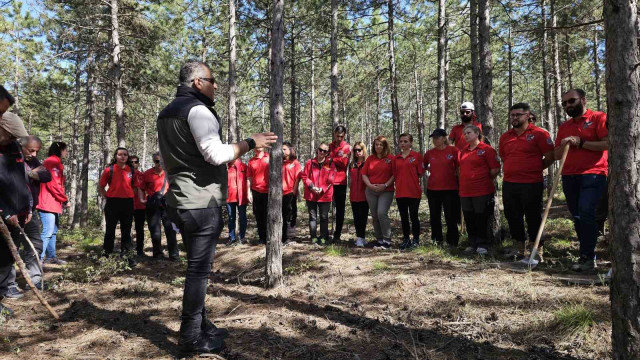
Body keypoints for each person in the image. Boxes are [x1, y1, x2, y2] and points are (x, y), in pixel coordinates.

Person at [156, 60, 276, 354]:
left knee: (196, 269)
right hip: (201, 202)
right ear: (198, 82)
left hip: (180, 201)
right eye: (212, 80)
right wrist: (250, 142)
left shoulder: (167, 112)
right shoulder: (197, 110)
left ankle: (201, 325)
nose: (216, 86)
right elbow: (214, 153)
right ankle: (190, 337)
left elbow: (181, 156)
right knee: (198, 272)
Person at [555, 88, 608, 272]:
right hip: (569, 175)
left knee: (587, 211)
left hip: (593, 173)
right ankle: (585, 254)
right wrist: (563, 146)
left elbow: (608, 143)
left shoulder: (598, 118)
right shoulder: (564, 127)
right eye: (564, 103)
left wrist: (581, 142)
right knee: (577, 215)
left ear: (583, 100)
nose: (568, 105)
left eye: (571, 101)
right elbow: (556, 155)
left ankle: (589, 256)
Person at [499, 103, 554, 259]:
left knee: (533, 216)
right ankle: (519, 246)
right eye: (512, 115)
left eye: (518, 115)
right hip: (510, 183)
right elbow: (504, 157)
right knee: (512, 215)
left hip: (532, 182)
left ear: (528, 115)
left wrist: (535, 167)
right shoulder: (505, 136)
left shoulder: (539, 134)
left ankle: (537, 249)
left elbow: (550, 156)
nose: (514, 118)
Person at [4, 136, 51, 298]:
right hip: (11, 212)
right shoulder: (8, 159)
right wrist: (30, 175)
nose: (34, 154)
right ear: (20, 146)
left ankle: (35, 278)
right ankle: (8, 285)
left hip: (29, 211)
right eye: (31, 150)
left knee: (35, 244)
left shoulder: (33, 161)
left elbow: (46, 175)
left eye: (37, 151)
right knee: (10, 248)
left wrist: (30, 173)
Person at [0, 109, 31, 318]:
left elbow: (21, 179)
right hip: (4, 211)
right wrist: (5, 211)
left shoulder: (14, 148)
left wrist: (26, 205)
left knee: (5, 258)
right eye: (9, 134)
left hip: (16, 212)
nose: (11, 138)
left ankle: (1, 297)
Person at [458, 125, 500, 255]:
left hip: (482, 190)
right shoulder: (463, 150)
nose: (466, 135)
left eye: (468, 133)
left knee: (481, 217)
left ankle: (483, 244)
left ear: (477, 134)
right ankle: (473, 243)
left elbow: (495, 170)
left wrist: (482, 179)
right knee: (469, 218)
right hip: (465, 191)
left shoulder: (487, 150)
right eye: (464, 133)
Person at [98, 147, 137, 266]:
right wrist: (108, 196)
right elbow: (101, 186)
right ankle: (106, 256)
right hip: (112, 203)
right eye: (120, 154)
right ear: (116, 156)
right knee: (110, 231)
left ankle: (127, 257)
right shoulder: (109, 170)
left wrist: (130, 194)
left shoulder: (131, 170)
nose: (123, 156)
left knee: (126, 231)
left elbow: (135, 186)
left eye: (125, 154)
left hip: (127, 203)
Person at [424, 129, 460, 247]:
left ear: (444, 138)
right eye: (433, 138)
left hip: (450, 189)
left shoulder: (454, 150)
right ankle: (437, 240)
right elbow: (423, 166)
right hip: (433, 189)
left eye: (437, 137)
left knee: (450, 216)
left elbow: (460, 167)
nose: (435, 140)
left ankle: (452, 242)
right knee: (434, 216)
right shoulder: (429, 153)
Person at [141, 152, 178, 260]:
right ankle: (157, 254)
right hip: (153, 205)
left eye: (162, 161)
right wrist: (141, 199)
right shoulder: (147, 174)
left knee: (170, 229)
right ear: (154, 161)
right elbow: (141, 188)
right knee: (155, 230)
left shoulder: (170, 173)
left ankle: (174, 255)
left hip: (168, 205)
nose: (159, 164)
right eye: (157, 161)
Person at [37, 141, 69, 265]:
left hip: (54, 202)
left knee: (53, 230)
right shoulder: (52, 162)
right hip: (47, 202)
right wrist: (64, 199)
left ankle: (51, 257)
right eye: (65, 150)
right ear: (60, 150)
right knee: (47, 231)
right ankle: (38, 259)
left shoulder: (55, 162)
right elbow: (53, 183)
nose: (66, 152)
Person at [362, 136, 395, 249]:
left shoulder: (391, 159)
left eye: (381, 144)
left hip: (386, 191)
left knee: (381, 213)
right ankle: (379, 239)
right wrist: (370, 185)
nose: (378, 146)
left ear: (385, 146)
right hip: (371, 191)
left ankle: (387, 240)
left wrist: (385, 185)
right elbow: (364, 174)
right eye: (376, 144)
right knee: (375, 215)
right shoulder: (370, 159)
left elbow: (394, 175)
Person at [393, 134, 425, 249]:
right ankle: (406, 239)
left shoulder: (417, 156)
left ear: (411, 143)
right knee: (404, 217)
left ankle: (416, 240)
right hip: (400, 192)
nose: (403, 143)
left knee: (414, 216)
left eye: (405, 141)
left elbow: (421, 173)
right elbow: (394, 174)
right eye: (401, 141)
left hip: (414, 192)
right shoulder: (396, 158)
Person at [300, 143, 336, 245]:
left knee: (324, 217)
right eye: (321, 150)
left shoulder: (330, 163)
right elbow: (304, 176)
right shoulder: (309, 162)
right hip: (311, 195)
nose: (322, 152)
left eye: (325, 151)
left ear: (327, 153)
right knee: (312, 217)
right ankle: (314, 238)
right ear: (317, 150)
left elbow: (331, 179)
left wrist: (322, 189)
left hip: (325, 195)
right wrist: (311, 187)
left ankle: (324, 238)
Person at [328, 126, 351, 242]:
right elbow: (326, 159)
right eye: (337, 135)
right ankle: (327, 232)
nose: (339, 138)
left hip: (340, 181)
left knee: (340, 208)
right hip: (328, 181)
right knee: (326, 207)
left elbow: (344, 163)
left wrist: (333, 159)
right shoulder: (330, 146)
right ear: (334, 134)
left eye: (341, 136)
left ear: (344, 135)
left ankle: (337, 234)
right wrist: (336, 158)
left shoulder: (346, 147)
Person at [247, 147, 270, 245]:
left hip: (269, 192)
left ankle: (270, 236)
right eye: (256, 146)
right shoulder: (251, 161)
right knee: (259, 216)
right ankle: (262, 238)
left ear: (264, 146)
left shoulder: (270, 158)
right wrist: (248, 192)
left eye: (260, 145)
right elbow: (249, 177)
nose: (258, 148)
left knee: (269, 215)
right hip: (256, 191)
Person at [349, 141, 369, 247]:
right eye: (355, 150)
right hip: (353, 195)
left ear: (363, 150)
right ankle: (359, 237)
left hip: (365, 195)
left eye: (359, 150)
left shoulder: (368, 163)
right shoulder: (352, 164)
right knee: (356, 217)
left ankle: (362, 237)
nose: (357, 152)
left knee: (363, 217)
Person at [226, 158, 249, 246]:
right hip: (229, 198)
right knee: (231, 218)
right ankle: (232, 237)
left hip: (241, 197)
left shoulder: (244, 167)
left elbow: (249, 181)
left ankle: (242, 237)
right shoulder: (226, 168)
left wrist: (249, 193)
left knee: (242, 217)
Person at [282, 141, 301, 244]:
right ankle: (283, 236)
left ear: (290, 150)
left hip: (290, 193)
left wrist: (294, 192)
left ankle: (291, 236)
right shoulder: (279, 162)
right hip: (279, 194)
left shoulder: (295, 163)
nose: (282, 151)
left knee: (291, 215)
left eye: (284, 149)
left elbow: (298, 178)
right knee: (282, 216)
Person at [130, 155, 147, 257]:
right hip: (127, 205)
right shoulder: (125, 174)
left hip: (140, 206)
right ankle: (127, 250)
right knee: (126, 228)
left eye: (135, 162)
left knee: (140, 228)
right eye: (131, 162)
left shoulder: (141, 175)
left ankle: (140, 250)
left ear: (138, 163)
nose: (133, 164)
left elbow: (141, 188)